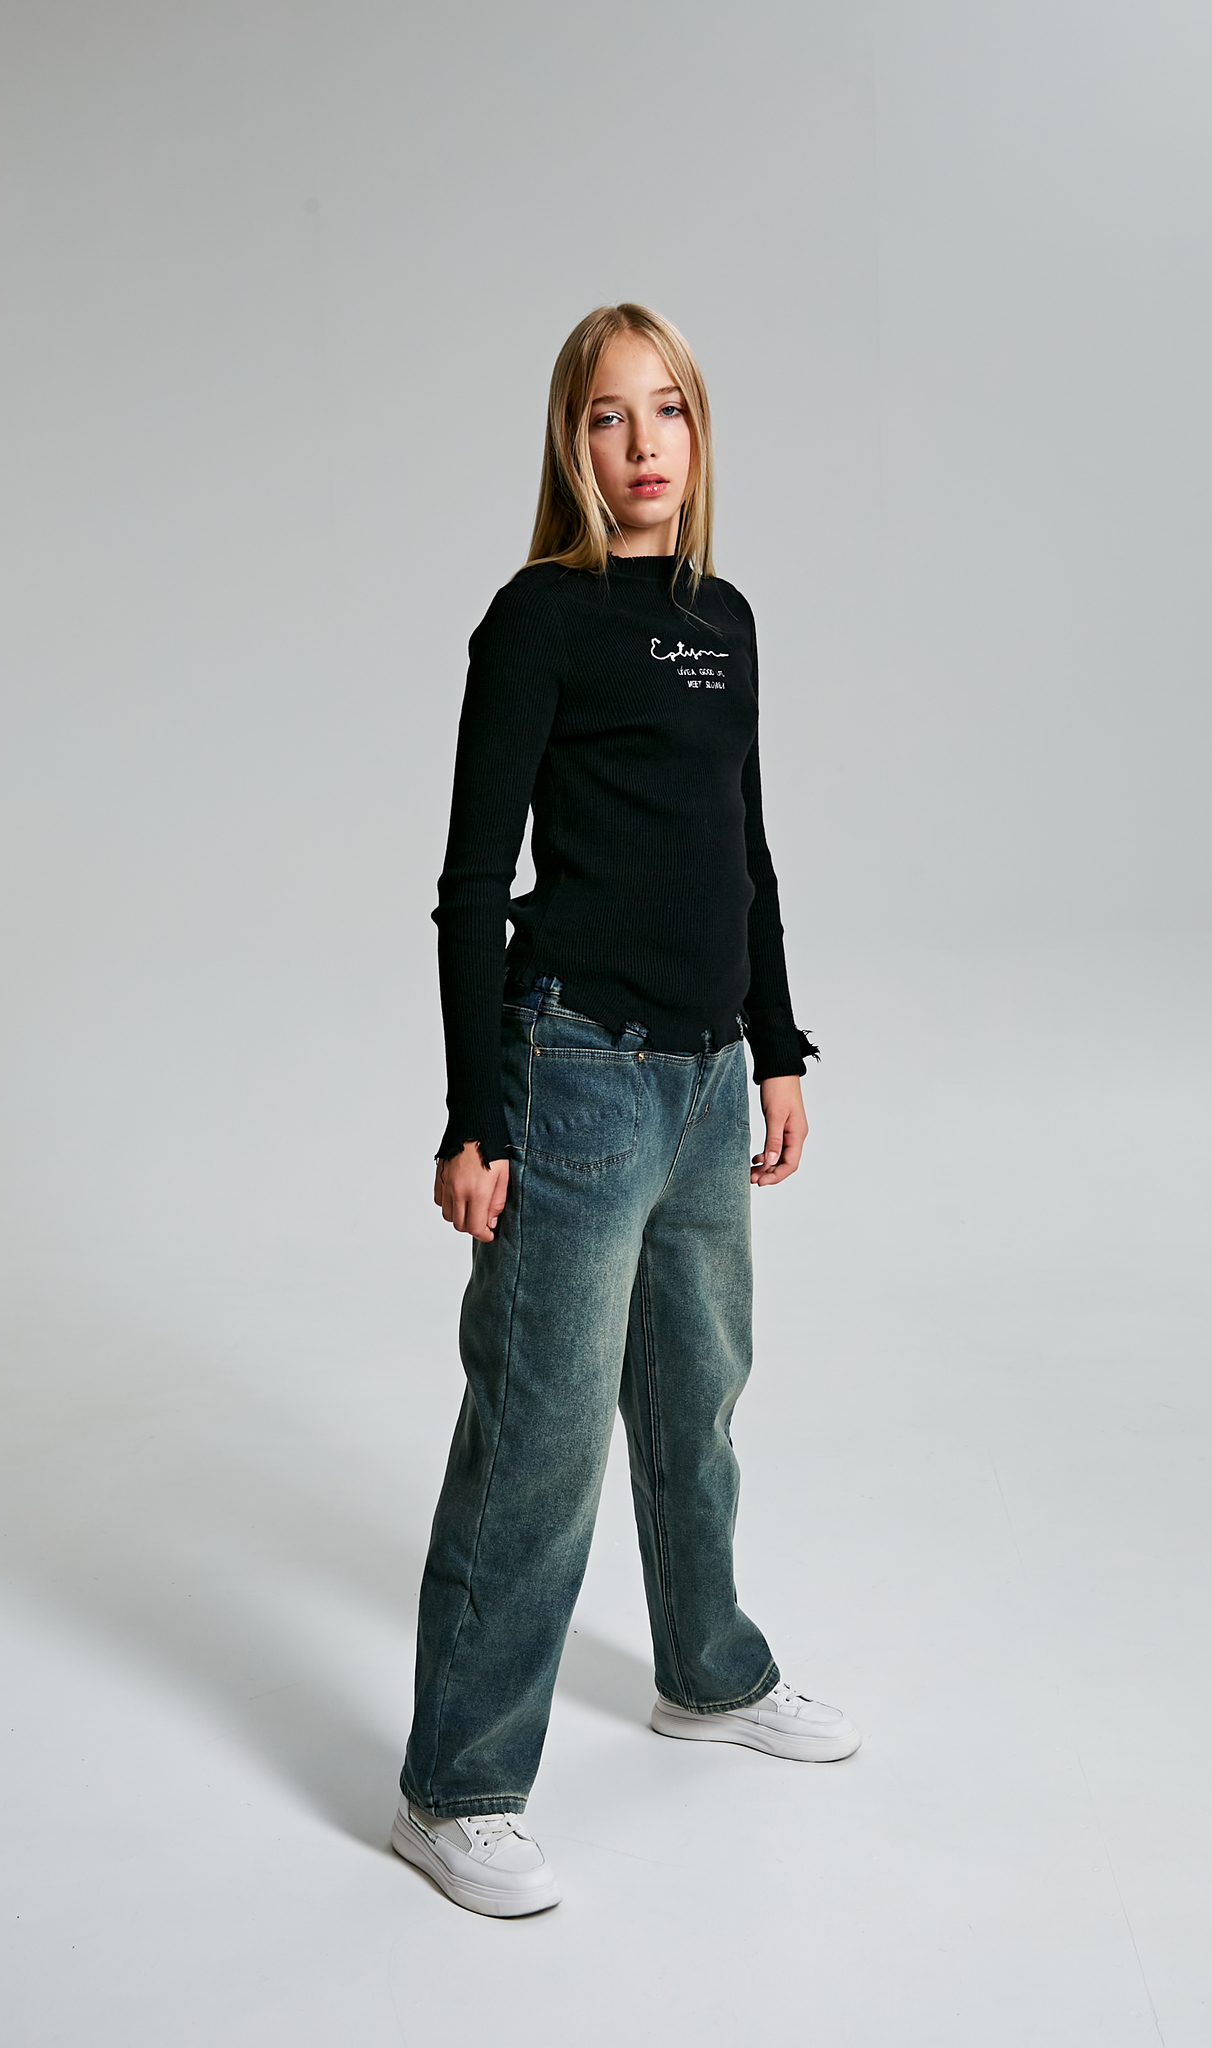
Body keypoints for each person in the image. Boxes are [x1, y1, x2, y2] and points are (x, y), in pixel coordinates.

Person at [391, 303, 861, 1918]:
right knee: (537, 1437)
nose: (641, 442)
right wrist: (474, 1118)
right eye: (607, 415)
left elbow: (744, 848)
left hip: (708, 1074)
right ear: (569, 442)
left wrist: (777, 1047)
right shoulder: (539, 618)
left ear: (698, 432)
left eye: (665, 410)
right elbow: (470, 885)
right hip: (576, 1073)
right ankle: (455, 1788)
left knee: (694, 1400)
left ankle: (708, 1677)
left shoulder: (724, 619)